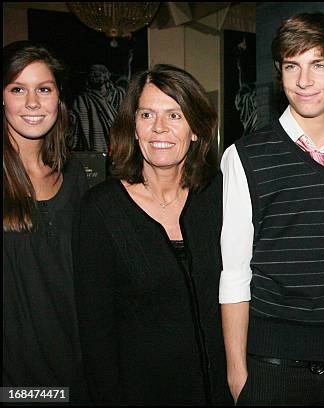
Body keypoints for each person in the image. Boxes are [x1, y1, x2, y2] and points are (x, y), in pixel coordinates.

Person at [219, 12, 324, 405]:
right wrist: (238, 374)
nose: (304, 81)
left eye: (318, 64)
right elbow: (233, 273)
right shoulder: (244, 157)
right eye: (292, 66)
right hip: (271, 367)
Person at [72, 64, 231, 405]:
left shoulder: (219, 196)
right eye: (147, 114)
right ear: (133, 127)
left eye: (174, 115)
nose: (159, 128)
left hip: (221, 393)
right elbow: (95, 334)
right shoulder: (100, 209)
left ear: (196, 130)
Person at [3, 41, 89, 400]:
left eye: (44, 89)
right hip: (14, 380)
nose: (33, 103)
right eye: (18, 89)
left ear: (59, 99)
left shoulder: (75, 177)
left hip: (77, 369)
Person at [70, 53, 132, 152]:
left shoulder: (116, 94)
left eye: (99, 73)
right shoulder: (84, 99)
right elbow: (77, 118)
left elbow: (125, 81)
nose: (95, 75)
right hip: (95, 145)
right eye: (92, 73)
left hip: (115, 142)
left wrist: (127, 64)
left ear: (107, 76)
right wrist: (72, 121)